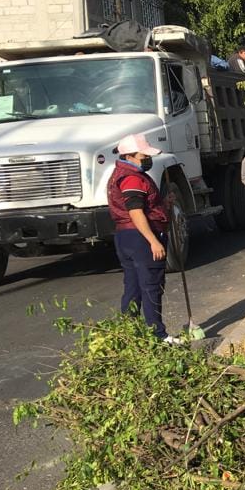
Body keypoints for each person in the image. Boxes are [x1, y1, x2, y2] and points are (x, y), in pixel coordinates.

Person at [108, 133, 176, 343]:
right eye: (143, 156)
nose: (147, 159)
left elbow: (143, 206)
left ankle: (130, 334)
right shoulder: (132, 178)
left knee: (134, 286)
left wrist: (164, 204)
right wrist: (152, 241)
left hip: (126, 236)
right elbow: (136, 211)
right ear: (129, 156)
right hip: (140, 238)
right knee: (151, 286)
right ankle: (157, 334)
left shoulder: (123, 173)